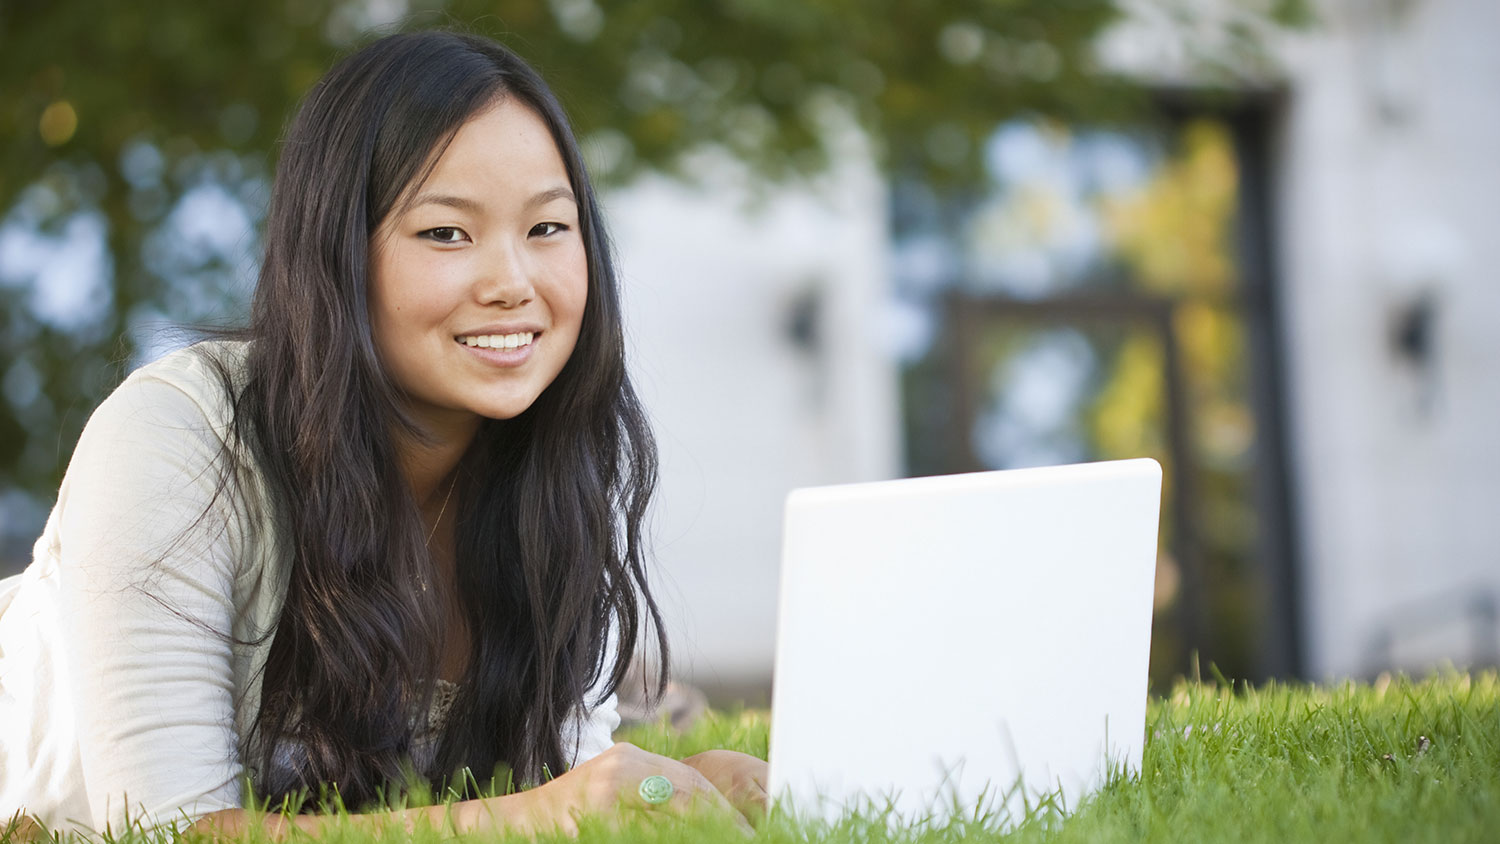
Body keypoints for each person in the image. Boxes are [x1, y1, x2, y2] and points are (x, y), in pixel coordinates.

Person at [0, 29, 767, 839]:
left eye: (548, 229)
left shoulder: (552, 465)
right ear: (338, 253)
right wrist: (539, 815)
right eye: (446, 233)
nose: (513, 284)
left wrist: (679, 783)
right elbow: (163, 831)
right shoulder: (179, 436)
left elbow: (555, 790)